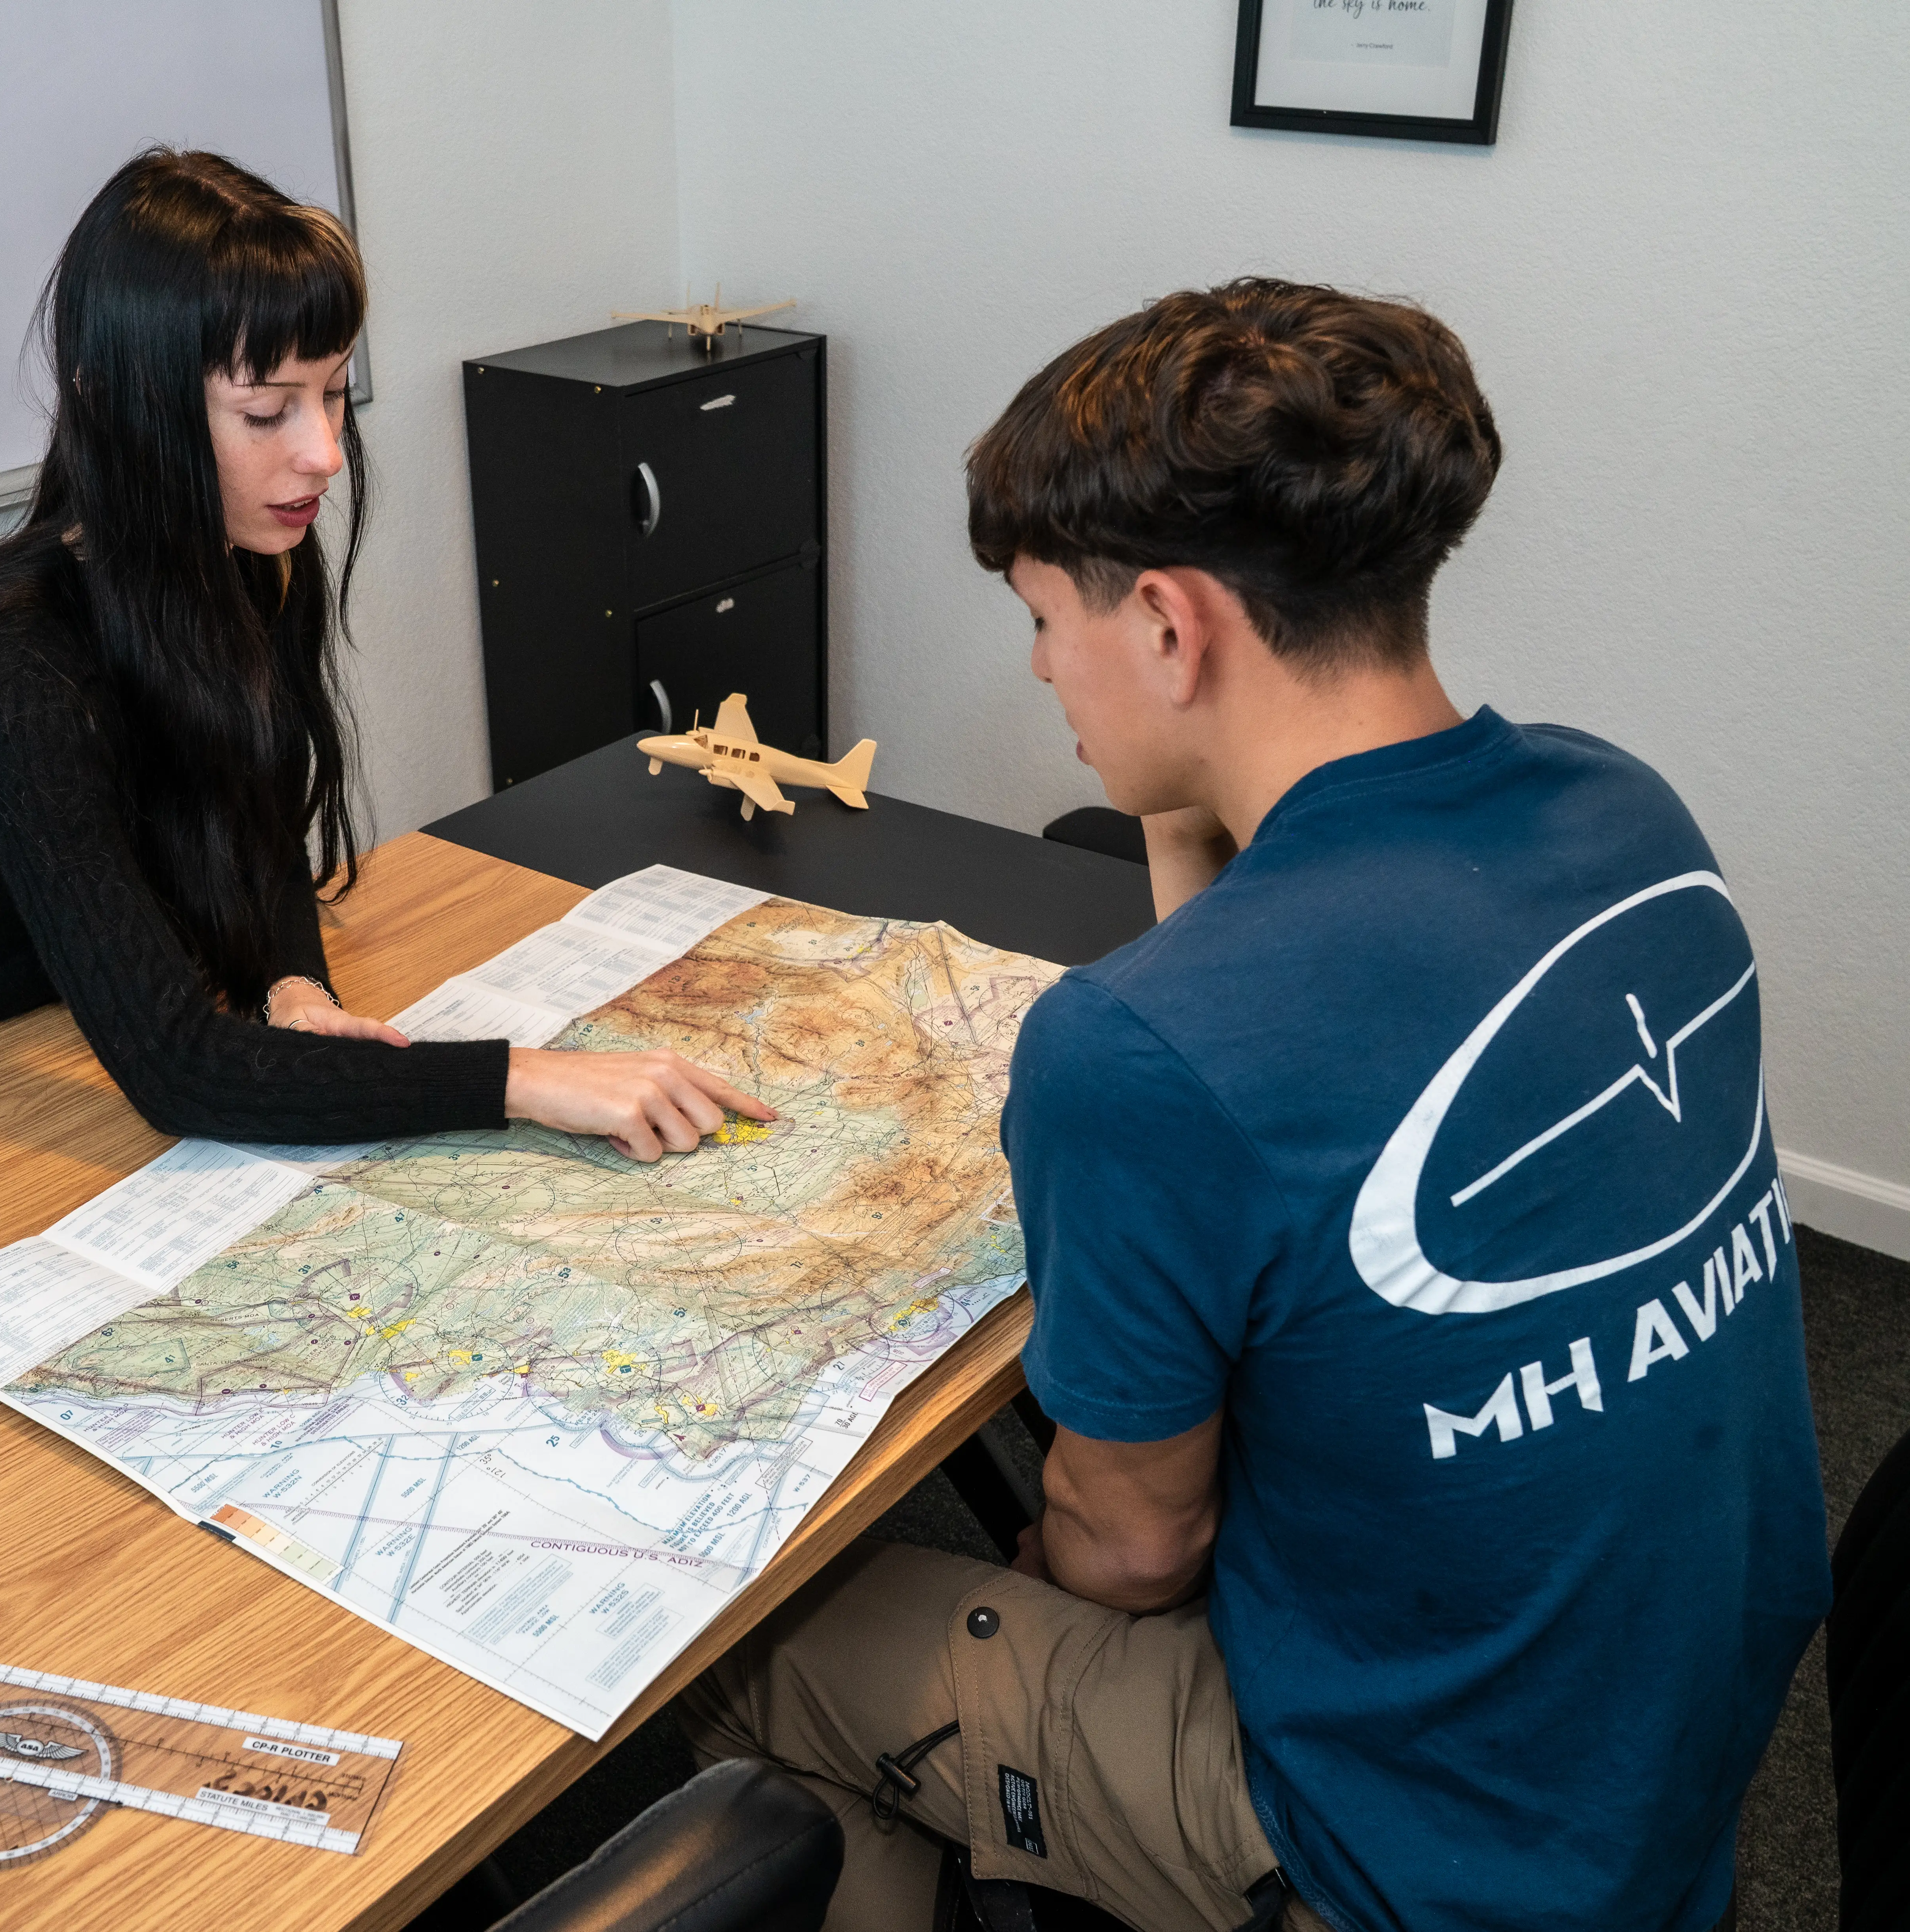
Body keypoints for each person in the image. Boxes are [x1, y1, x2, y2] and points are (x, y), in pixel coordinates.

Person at [682, 280, 1827, 1932]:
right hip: (1657, 1749)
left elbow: (1136, 1551)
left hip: (1423, 1843)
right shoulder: (1627, 815)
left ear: (1166, 624)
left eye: (1039, 618)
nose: (1039, 670)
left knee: (764, 1658)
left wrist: (1038, 1617)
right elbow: (1276, 991)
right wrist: (1181, 791)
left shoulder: (1136, 1053)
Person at [0, 150, 768, 1159]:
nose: (323, 454)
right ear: (122, 406)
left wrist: (292, 986)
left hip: (73, 1056)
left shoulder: (246, 559)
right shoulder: (12, 672)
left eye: (336, 393)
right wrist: (525, 1077)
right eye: (266, 412)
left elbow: (257, 829)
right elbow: (178, 1068)